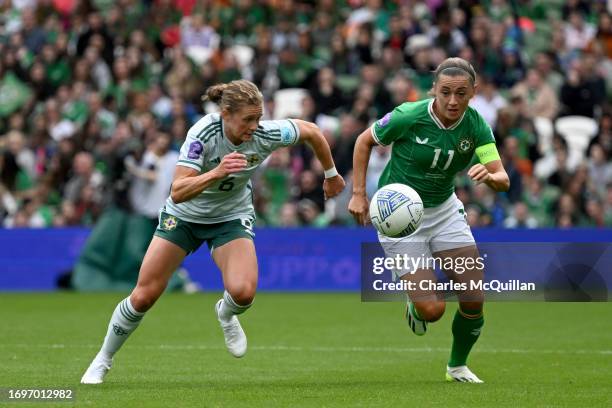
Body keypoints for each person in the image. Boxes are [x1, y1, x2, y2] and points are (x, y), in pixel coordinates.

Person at [81, 79, 345, 384]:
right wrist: (218, 171)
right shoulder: (202, 134)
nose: (254, 126)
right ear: (226, 115)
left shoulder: (265, 133)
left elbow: (311, 131)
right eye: (248, 119)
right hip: (184, 217)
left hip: (229, 217)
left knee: (244, 293)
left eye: (258, 117)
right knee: (143, 296)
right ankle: (103, 358)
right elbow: (178, 191)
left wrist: (331, 174)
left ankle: (226, 313)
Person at [348, 58, 509, 383]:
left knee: (474, 296)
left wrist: (493, 179)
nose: (452, 100)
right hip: (399, 216)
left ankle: (457, 366)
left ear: (473, 93)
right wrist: (358, 194)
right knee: (432, 311)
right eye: (445, 92)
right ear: (433, 89)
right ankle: (415, 300)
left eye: (461, 93)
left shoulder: (476, 125)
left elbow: (502, 176)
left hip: (444, 211)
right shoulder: (409, 116)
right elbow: (364, 140)